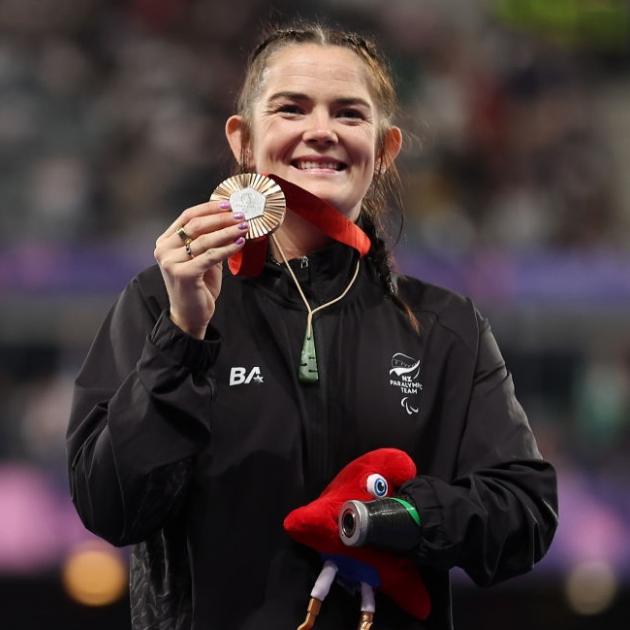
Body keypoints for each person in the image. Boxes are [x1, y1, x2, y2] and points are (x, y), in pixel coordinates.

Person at [67, 22, 558, 630]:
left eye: (349, 114)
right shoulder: (158, 302)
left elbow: (527, 514)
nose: (320, 131)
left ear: (384, 150)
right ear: (244, 141)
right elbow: (110, 506)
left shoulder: (445, 328)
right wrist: (182, 338)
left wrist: (400, 517)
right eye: (291, 108)